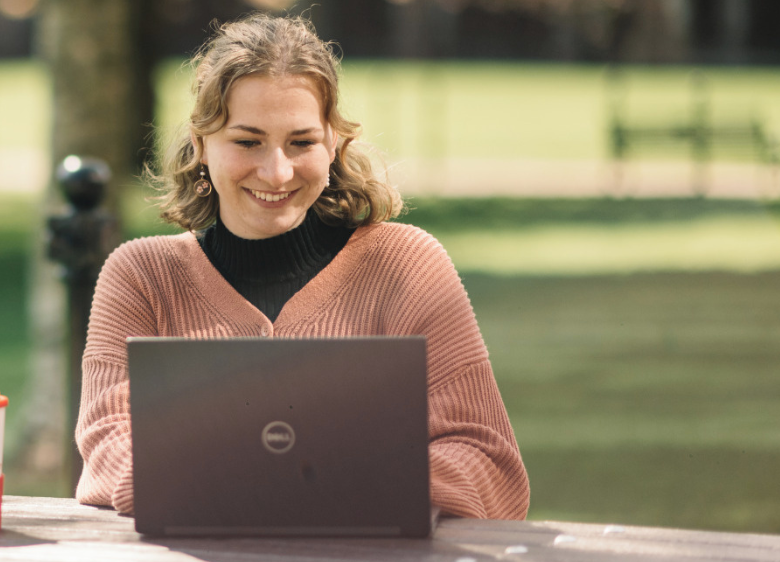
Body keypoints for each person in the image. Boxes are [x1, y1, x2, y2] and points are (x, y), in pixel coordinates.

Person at [74, 13, 529, 520]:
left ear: (333, 142)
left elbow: (487, 461)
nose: (278, 172)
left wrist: (238, 480)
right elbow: (109, 451)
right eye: (247, 142)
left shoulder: (407, 267)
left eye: (302, 142)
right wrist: (340, 478)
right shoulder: (141, 277)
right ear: (202, 144)